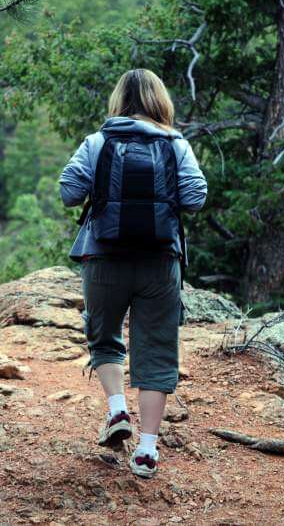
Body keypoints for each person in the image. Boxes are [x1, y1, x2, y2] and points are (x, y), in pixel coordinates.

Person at [58, 69, 207, 478]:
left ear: (118, 100)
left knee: (104, 337)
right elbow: (195, 198)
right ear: (160, 101)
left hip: (104, 258)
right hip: (160, 262)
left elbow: (70, 192)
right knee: (157, 349)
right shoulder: (176, 144)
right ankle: (145, 451)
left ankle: (117, 410)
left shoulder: (98, 141)